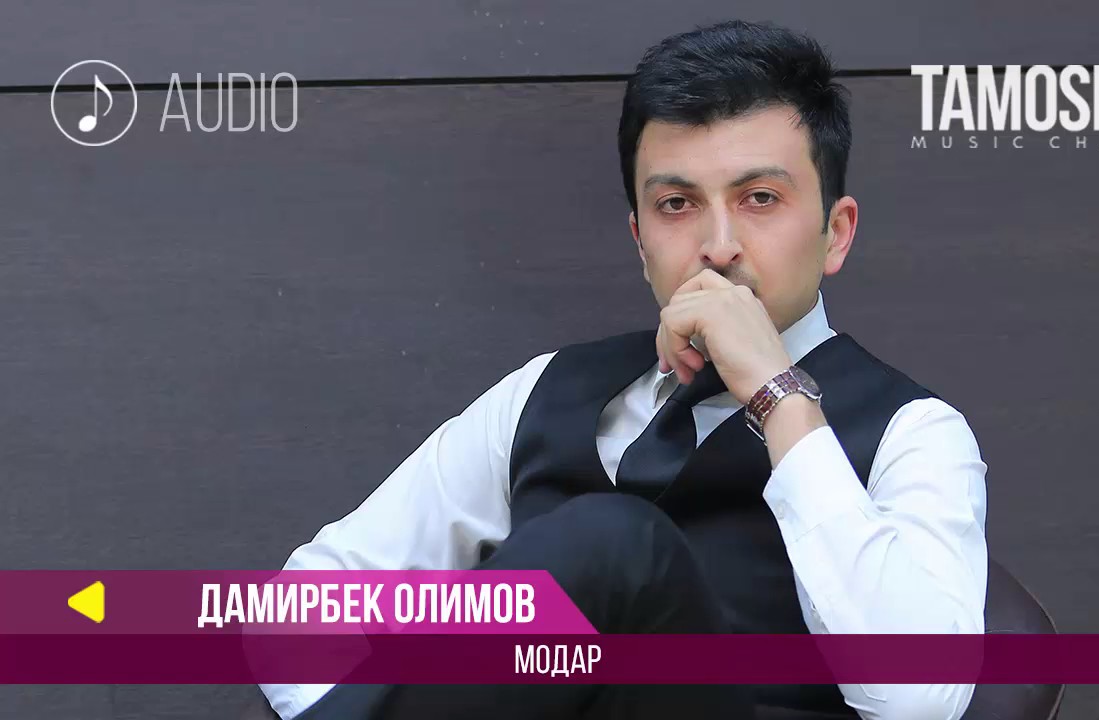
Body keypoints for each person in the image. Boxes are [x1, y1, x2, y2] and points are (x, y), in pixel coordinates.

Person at [260, 19, 988, 720]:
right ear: (641, 242)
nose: (719, 245)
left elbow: (922, 696)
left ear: (836, 233)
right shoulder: (544, 392)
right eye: (677, 204)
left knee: (617, 545)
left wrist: (777, 395)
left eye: (760, 199)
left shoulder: (914, 432)